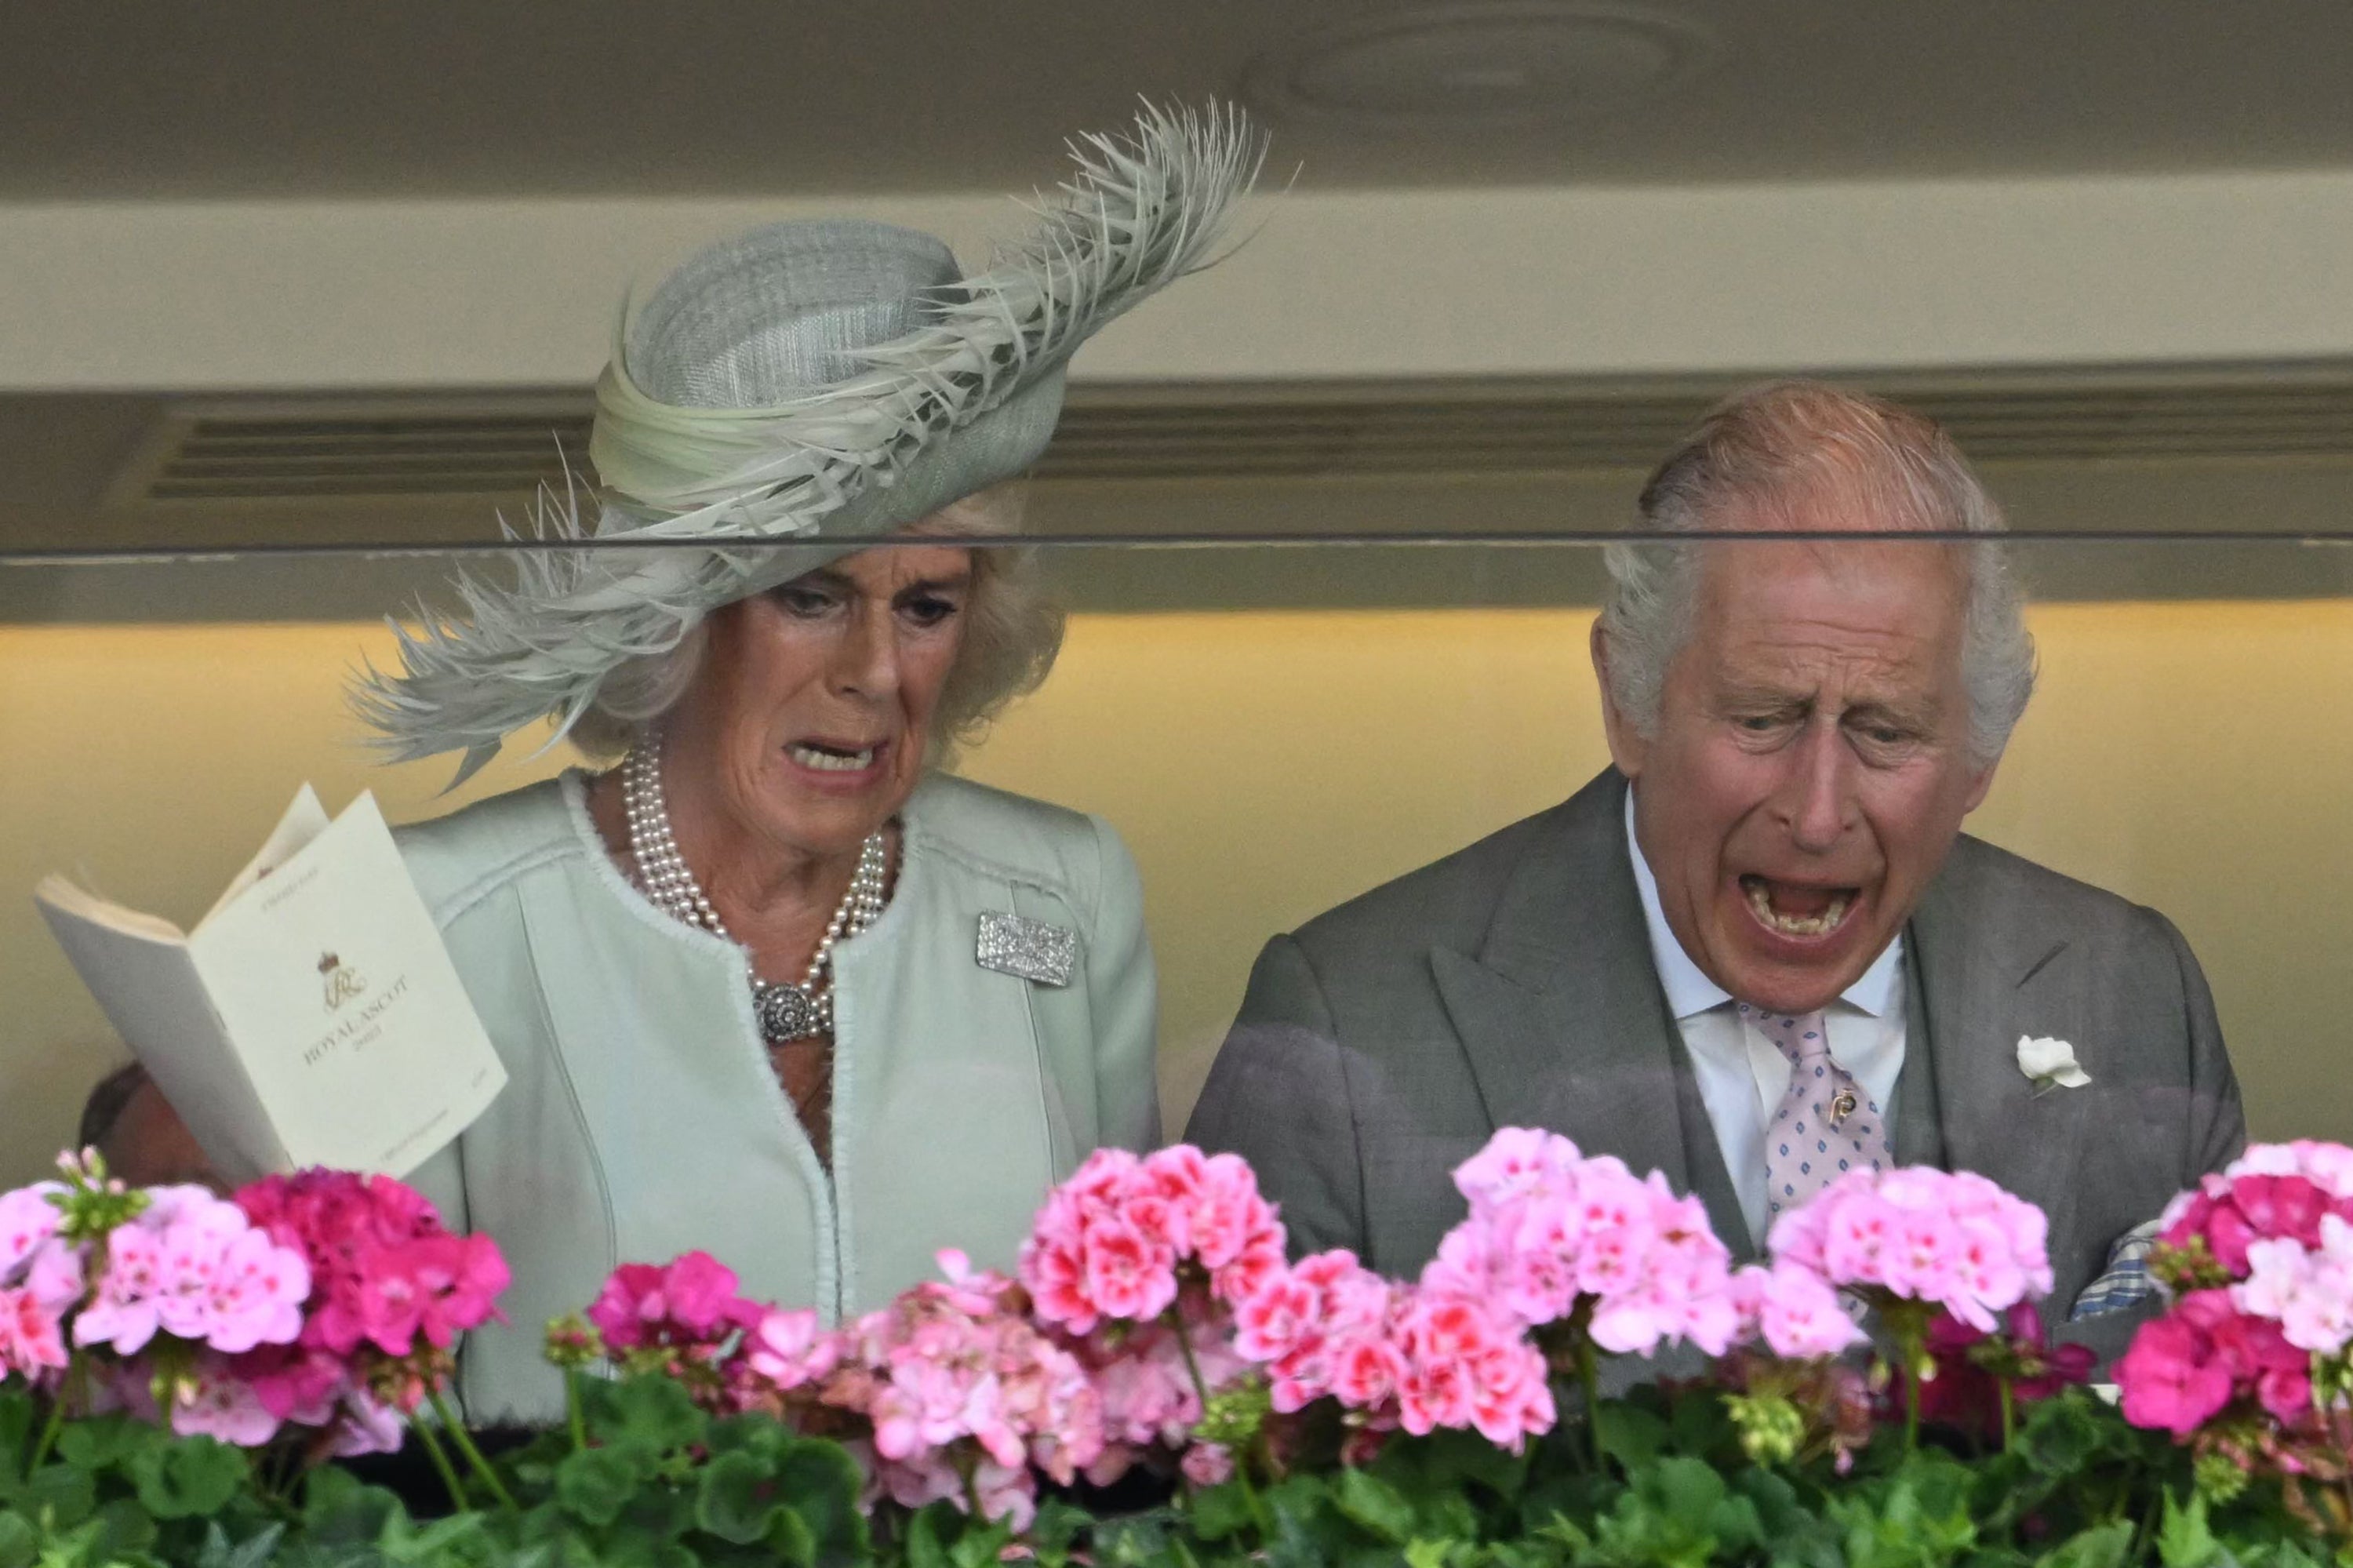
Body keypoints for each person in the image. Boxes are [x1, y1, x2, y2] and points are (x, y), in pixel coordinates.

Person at [103, 106, 1260, 1423]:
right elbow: (377, 1437)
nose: (877, 671)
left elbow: (1130, 1364)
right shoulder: (436, 919)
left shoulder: (1064, 892)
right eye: (812, 596)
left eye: (927, 605)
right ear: (674, 620)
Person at [1185, 380, 2244, 1362]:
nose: (1817, 811)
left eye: (1885, 732)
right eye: (1761, 718)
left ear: (1981, 758)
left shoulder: (2127, 993)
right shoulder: (1349, 1022)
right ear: (1627, 702)